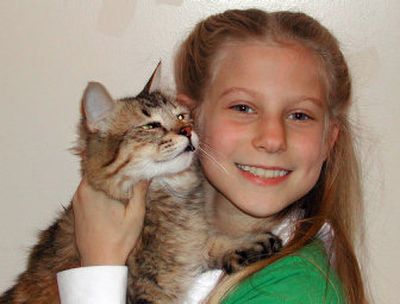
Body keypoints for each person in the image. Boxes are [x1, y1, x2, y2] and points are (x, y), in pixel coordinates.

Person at [57, 8, 368, 303]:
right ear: (192, 118)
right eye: (243, 108)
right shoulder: (151, 224)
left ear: (330, 139)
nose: (272, 139)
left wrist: (99, 264)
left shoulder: (296, 292)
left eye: (300, 115)